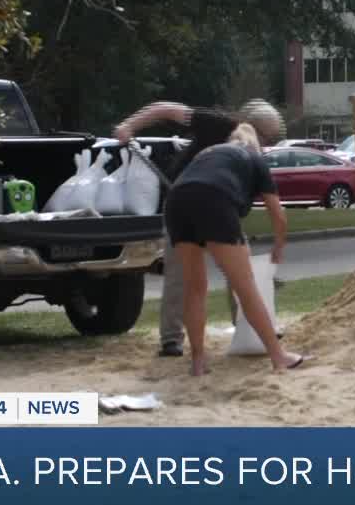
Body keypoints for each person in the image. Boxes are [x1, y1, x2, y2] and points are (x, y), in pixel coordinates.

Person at [114, 100, 282, 357]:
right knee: (180, 273)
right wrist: (129, 125)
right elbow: (164, 108)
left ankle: (247, 328)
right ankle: (171, 339)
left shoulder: (251, 155)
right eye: (266, 137)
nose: (267, 145)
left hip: (216, 205)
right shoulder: (217, 123)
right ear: (252, 127)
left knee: (239, 268)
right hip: (182, 199)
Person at [162, 123, 307, 376]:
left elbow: (198, 181)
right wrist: (278, 247)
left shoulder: (209, 153)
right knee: (246, 287)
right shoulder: (254, 158)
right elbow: (278, 215)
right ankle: (278, 356)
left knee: (195, 288)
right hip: (213, 200)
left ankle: (198, 362)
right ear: (255, 144)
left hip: (176, 201)